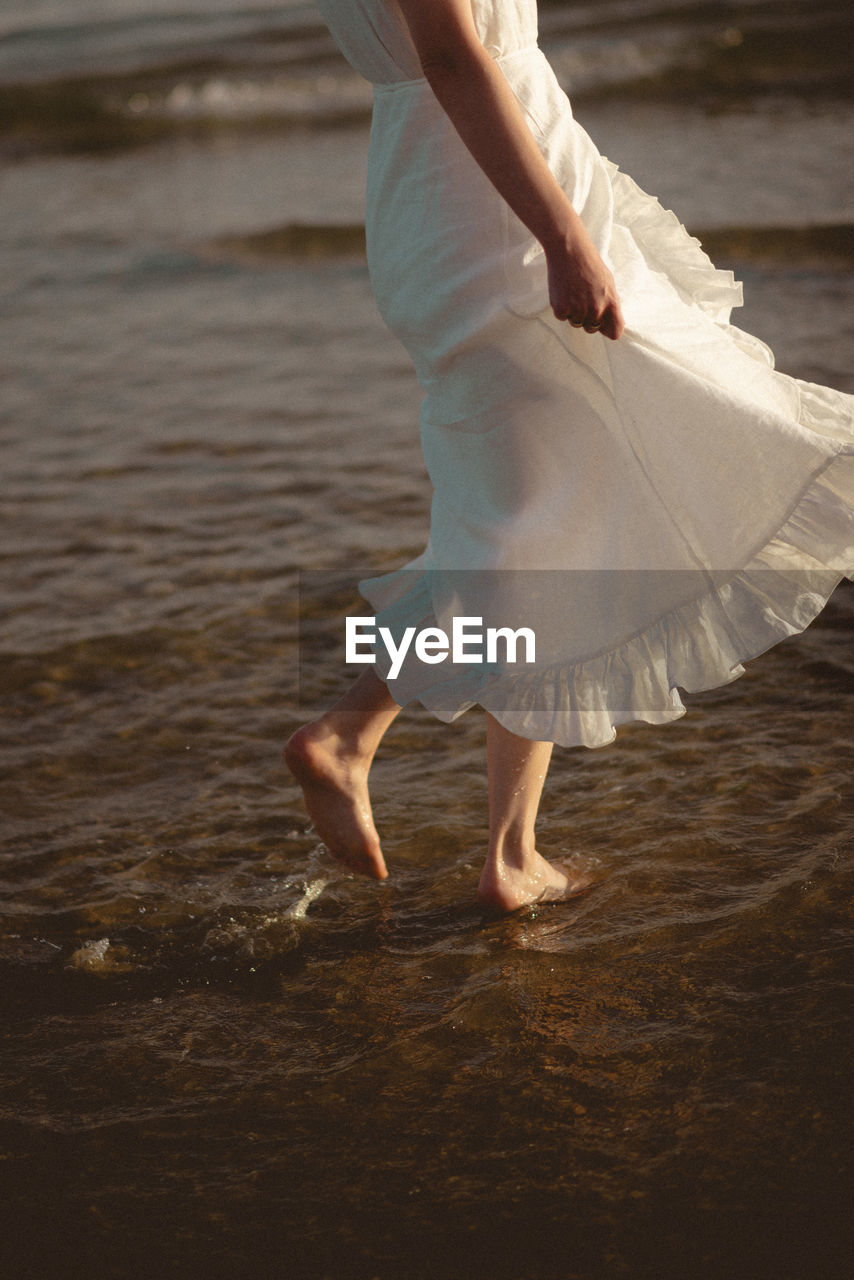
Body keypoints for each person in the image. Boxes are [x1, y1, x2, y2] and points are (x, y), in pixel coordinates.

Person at [285, 0, 854, 913]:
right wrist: (562, 241)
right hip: (496, 218)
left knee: (549, 521)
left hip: (457, 194)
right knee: (540, 523)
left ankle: (508, 854)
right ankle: (355, 736)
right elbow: (455, 60)